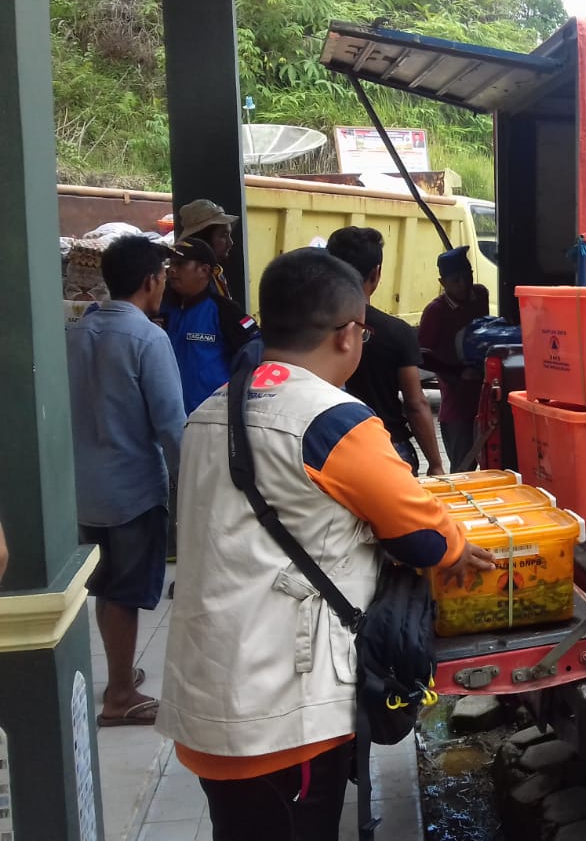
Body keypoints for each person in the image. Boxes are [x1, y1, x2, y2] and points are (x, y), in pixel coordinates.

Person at [157, 247, 494, 841]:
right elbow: (424, 534)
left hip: (213, 690)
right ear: (348, 334)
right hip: (283, 710)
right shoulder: (331, 419)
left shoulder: (213, 409)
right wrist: (459, 549)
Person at [66, 234, 186, 726]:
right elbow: (170, 425)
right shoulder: (147, 338)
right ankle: (119, 695)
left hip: (82, 490)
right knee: (125, 591)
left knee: (107, 587)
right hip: (131, 490)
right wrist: (196, 486)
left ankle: (120, 673)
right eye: (163, 276)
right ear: (150, 281)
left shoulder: (75, 332)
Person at [326, 227, 446, 476]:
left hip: (328, 448)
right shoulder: (395, 332)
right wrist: (435, 463)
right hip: (388, 448)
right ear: (376, 273)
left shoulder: (308, 330)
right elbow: (415, 403)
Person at [160, 237, 260, 414]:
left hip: (212, 419)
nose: (172, 270)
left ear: (204, 271)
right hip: (169, 418)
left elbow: (255, 352)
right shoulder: (161, 308)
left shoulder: (225, 311)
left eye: (181, 264)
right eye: (171, 264)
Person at [418, 247, 490, 472]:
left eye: (467, 276)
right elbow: (422, 357)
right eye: (455, 280)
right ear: (443, 282)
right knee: (462, 466)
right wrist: (458, 373)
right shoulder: (435, 311)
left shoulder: (481, 295)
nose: (463, 284)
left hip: (483, 393)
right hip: (456, 397)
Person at [176, 198, 238, 299]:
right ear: (203, 239)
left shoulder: (216, 273)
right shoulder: (190, 283)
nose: (230, 243)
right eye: (223, 235)